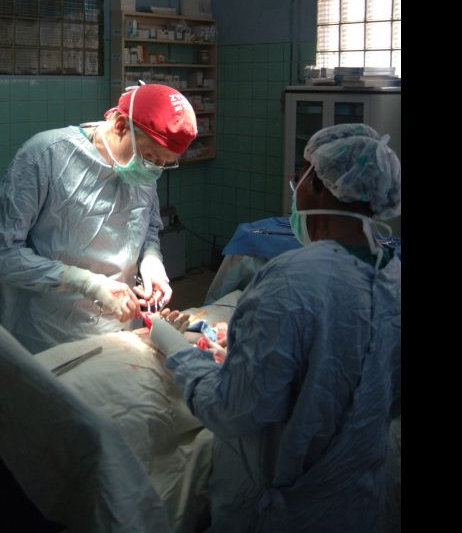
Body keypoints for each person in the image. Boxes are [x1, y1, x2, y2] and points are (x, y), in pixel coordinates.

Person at [149, 123, 401, 532]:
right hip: (359, 497)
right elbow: (368, 382)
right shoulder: (393, 276)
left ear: (318, 186)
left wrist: (176, 349)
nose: (295, 183)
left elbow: (234, 410)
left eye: (301, 173)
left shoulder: (293, 278)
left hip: (284, 507)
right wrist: (257, 353)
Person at [0, 82, 198, 354]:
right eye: (151, 156)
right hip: (50, 332)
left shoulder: (143, 168)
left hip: (122, 329)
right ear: (120, 126)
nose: (155, 168)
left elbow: (147, 226)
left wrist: (151, 262)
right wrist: (85, 282)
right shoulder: (46, 156)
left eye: (165, 162)